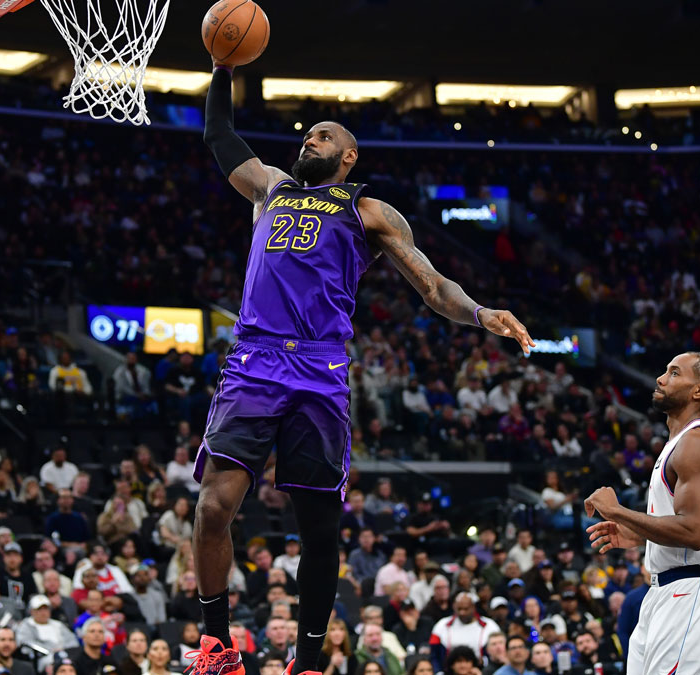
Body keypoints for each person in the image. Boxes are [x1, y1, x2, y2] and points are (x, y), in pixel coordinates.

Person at [190, 60, 534, 675]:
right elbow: (220, 136)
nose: (309, 141)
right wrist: (221, 68)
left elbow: (432, 287)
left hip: (319, 371)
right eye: (307, 135)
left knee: (319, 532)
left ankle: (310, 664)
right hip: (254, 360)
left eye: (323, 136)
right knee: (214, 508)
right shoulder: (270, 187)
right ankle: (218, 644)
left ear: (349, 157)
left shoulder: (369, 211)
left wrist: (483, 314)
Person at [584, 352, 700, 675]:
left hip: (692, 590)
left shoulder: (696, 442)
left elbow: (694, 534)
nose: (661, 378)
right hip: (665, 591)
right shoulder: (682, 442)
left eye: (675, 373)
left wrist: (619, 512)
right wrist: (638, 534)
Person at [428, 593, 501, 672]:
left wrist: (485, 661)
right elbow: (434, 655)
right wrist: (439, 672)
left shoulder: (490, 626)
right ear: (454, 607)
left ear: (473, 607)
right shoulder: (441, 626)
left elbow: (499, 653)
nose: (462, 612)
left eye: (466, 609)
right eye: (459, 609)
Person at [16, 595, 79, 672]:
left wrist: (62, 649)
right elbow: (25, 644)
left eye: (46, 609)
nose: (43, 613)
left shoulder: (58, 624)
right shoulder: (27, 624)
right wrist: (50, 650)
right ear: (32, 611)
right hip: (43, 659)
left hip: (64, 655)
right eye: (39, 609)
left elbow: (73, 641)